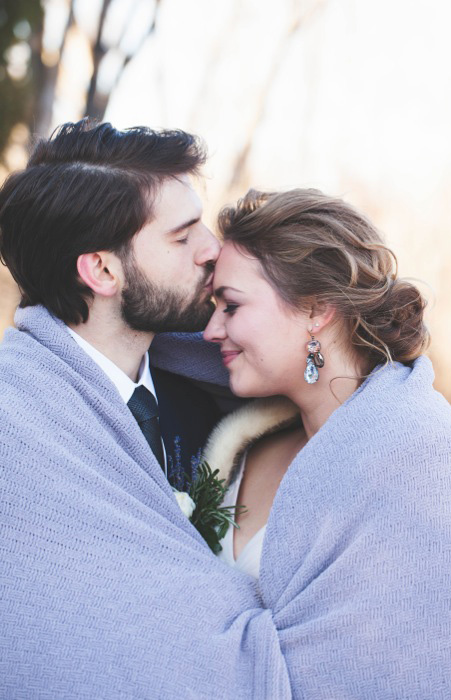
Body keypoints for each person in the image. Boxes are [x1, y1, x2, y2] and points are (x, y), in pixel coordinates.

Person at [0, 120, 292, 699]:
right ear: (102, 271)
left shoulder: (223, 394)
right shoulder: (17, 428)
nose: (213, 248)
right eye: (183, 238)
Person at [198, 188, 451, 691]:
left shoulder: (425, 463)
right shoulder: (241, 446)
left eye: (230, 305)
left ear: (316, 310)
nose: (211, 330)